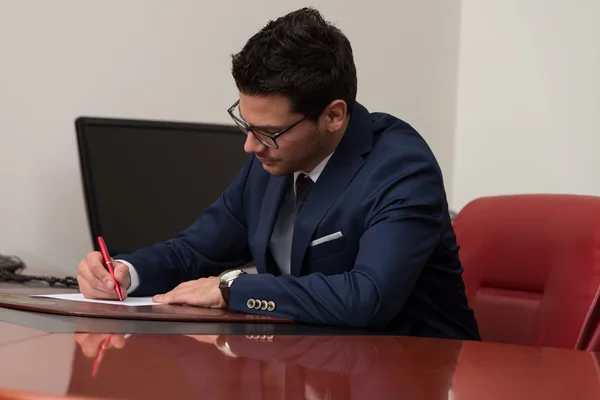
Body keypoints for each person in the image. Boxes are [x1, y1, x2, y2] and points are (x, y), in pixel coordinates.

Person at [76, 7, 480, 340]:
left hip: (412, 374)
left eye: (269, 133)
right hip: (307, 366)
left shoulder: (401, 168)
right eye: (245, 123)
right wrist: (125, 273)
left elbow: (367, 297)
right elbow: (196, 250)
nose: (250, 146)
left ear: (333, 115)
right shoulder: (271, 162)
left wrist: (231, 288)